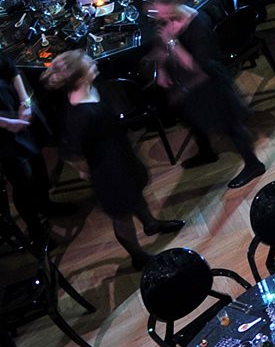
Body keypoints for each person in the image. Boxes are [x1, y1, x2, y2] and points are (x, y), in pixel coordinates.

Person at [41, 51, 181, 270]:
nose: (93, 64)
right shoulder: (78, 115)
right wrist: (87, 171)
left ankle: (151, 224)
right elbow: (71, 154)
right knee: (122, 216)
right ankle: (138, 256)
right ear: (79, 77)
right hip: (108, 171)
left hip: (120, 155)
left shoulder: (90, 89)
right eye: (89, 65)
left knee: (134, 195)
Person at [143, 0, 266, 189]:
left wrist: (172, 42)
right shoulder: (168, 19)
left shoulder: (198, 24)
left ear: (174, 5)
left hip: (208, 82)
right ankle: (206, 152)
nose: (158, 16)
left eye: (162, 12)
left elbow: (196, 65)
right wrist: (162, 69)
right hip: (188, 84)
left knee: (230, 123)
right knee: (191, 118)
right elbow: (161, 47)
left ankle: (253, 164)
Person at [0, 61, 57, 243]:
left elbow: (11, 69)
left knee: (37, 162)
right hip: (3, 127)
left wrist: (25, 102)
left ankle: (46, 205)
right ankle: (35, 230)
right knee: (22, 179)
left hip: (14, 106)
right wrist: (5, 123)